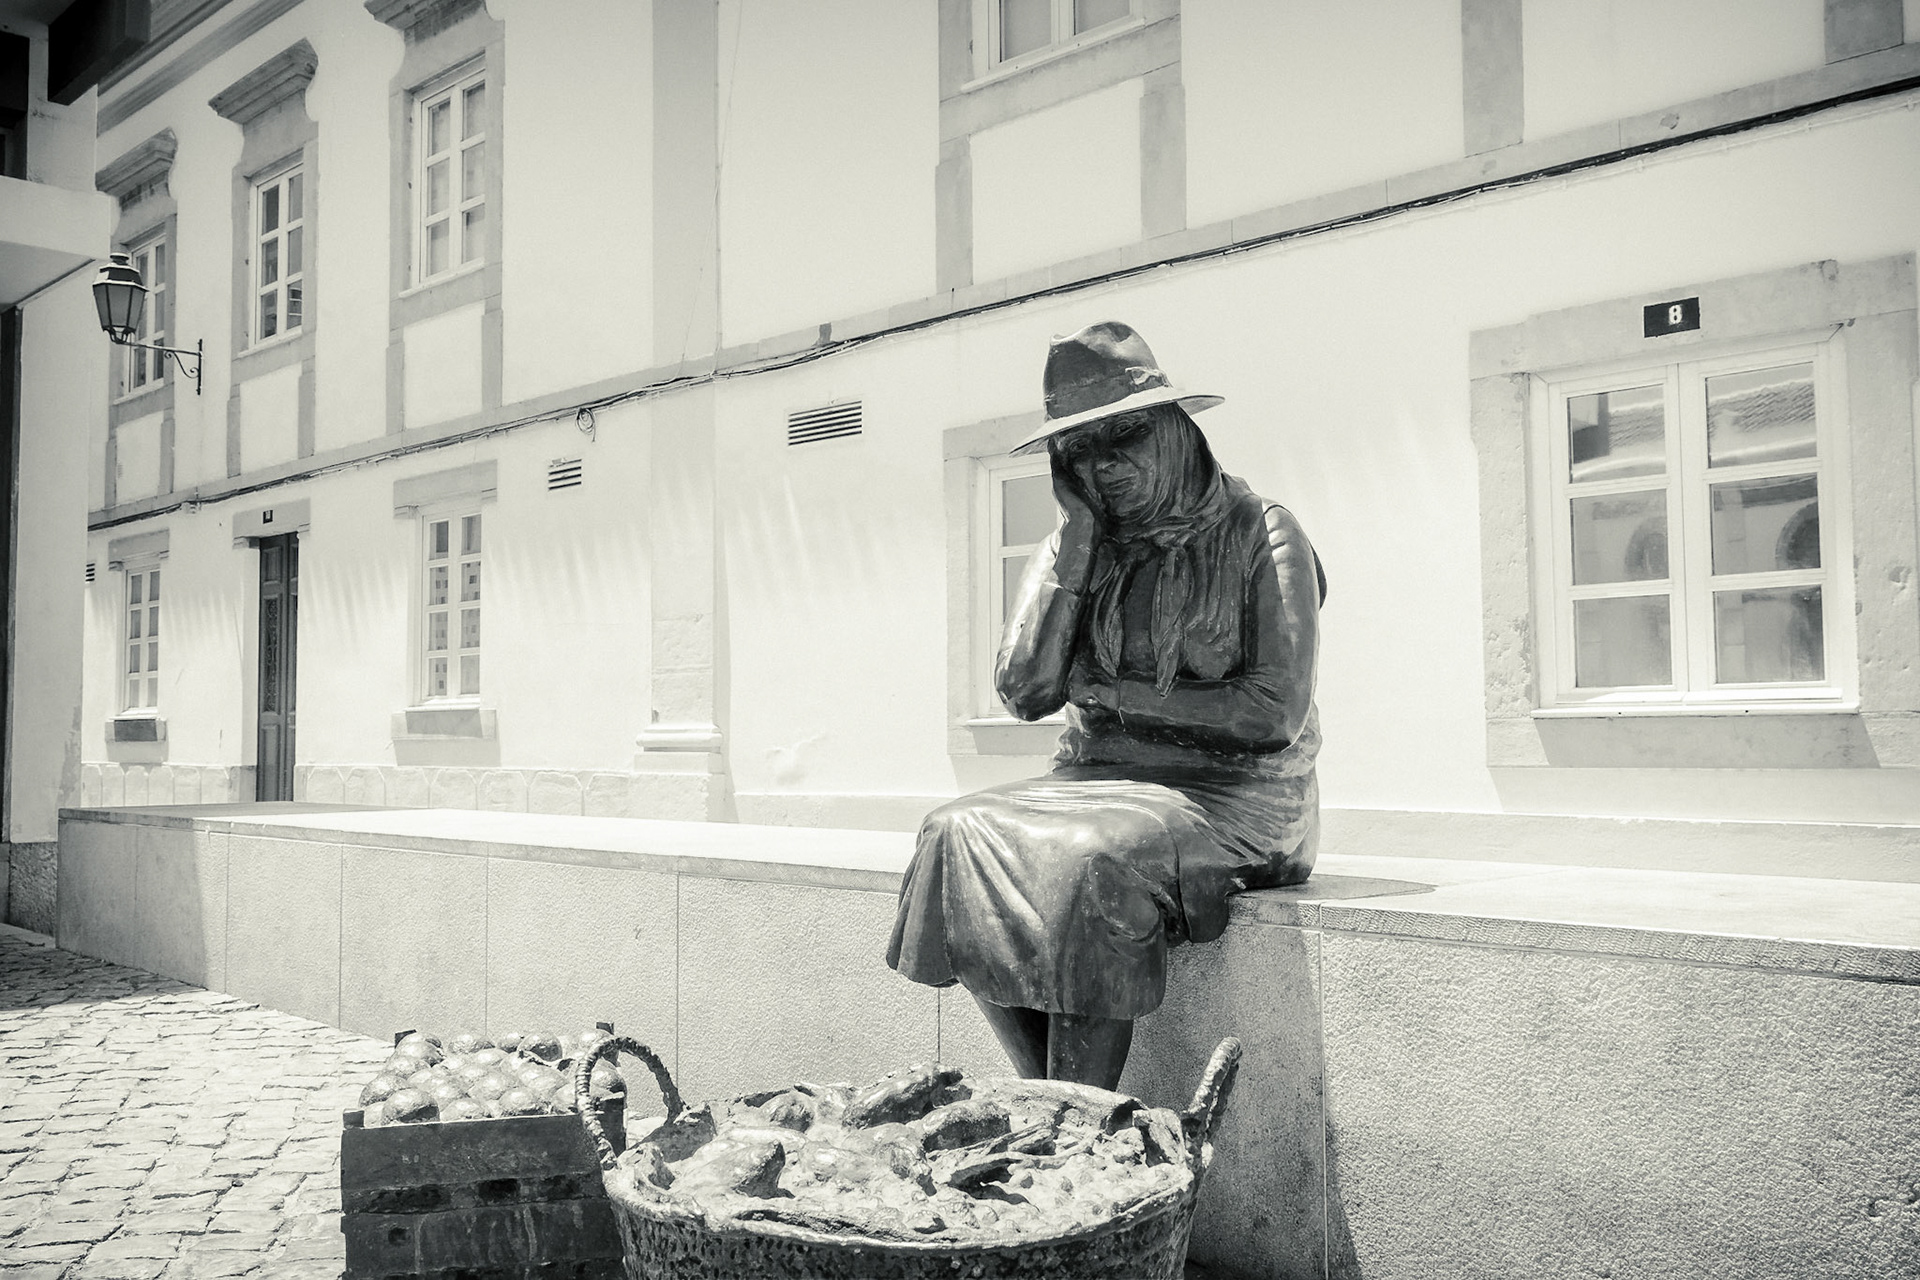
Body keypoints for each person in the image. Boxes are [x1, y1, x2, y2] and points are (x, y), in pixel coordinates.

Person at [886, 320, 1325, 1090]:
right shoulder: (1075, 545)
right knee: (954, 835)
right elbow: (1025, 691)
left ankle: (1075, 1112)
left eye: (1125, 434)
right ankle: (1059, 1103)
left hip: (1239, 798)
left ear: (1175, 429)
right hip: (1092, 783)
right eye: (1080, 448)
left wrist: (1114, 696)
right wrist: (1079, 544)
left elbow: (1270, 715)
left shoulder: (1263, 530)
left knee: (1091, 857)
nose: (1104, 462)